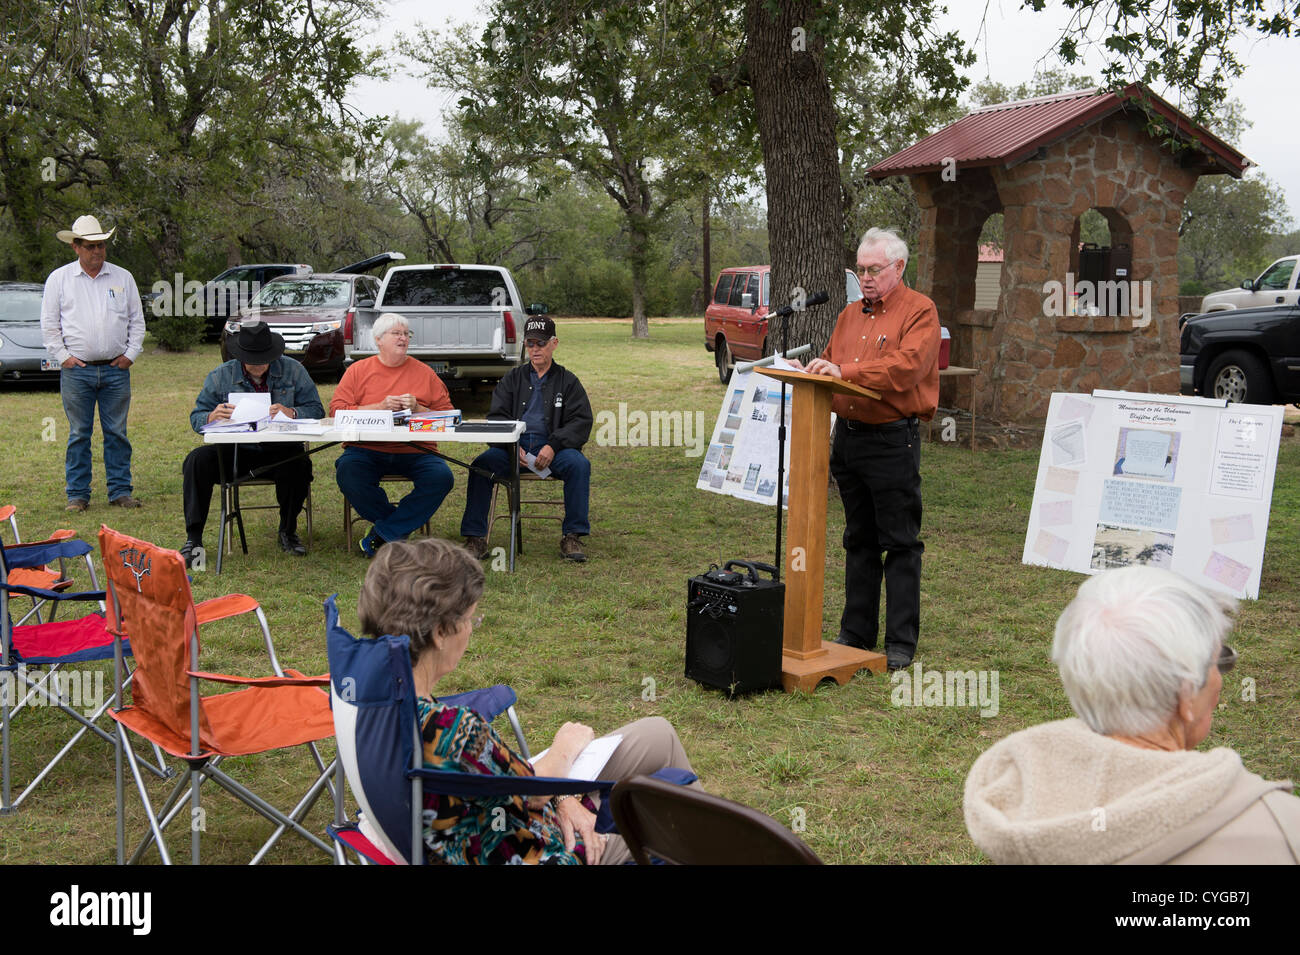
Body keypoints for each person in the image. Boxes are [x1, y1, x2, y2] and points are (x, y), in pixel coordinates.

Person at [357, 537, 700, 865]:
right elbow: (533, 793)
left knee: (658, 733)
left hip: (512, 817)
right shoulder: (452, 730)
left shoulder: (373, 700)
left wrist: (563, 796)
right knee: (690, 830)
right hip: (541, 849)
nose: (472, 629)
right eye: (469, 619)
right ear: (440, 633)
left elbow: (516, 782)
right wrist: (565, 746)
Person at [964, 566, 1300, 864]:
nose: (1220, 679)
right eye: (1218, 662)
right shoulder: (1281, 830)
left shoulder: (1017, 799)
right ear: (1185, 694)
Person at [792, 227, 940, 671]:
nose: (866, 276)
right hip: (849, 437)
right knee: (857, 539)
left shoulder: (921, 311)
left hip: (892, 438)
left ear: (898, 267)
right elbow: (832, 363)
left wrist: (845, 370)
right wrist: (812, 371)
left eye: (874, 269)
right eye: (860, 269)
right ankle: (856, 633)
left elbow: (906, 368)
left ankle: (899, 641)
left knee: (898, 541)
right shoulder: (848, 314)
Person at [180, 322, 323, 566]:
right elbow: (196, 418)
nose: (258, 363)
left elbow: (317, 410)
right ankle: (193, 539)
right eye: (251, 359)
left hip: (281, 449)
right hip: (236, 451)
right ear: (240, 356)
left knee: (299, 464)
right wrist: (210, 417)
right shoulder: (220, 375)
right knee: (197, 460)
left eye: (264, 358)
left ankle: (288, 530)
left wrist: (293, 412)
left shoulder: (294, 370)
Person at [460, 315, 593, 562]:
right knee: (481, 465)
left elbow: (581, 421)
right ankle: (475, 538)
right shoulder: (512, 379)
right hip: (512, 451)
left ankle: (573, 535)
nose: (535, 349)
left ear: (554, 343)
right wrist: (511, 447)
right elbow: (496, 418)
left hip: (555, 450)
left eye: (540, 344)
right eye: (530, 344)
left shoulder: (568, 381)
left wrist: (553, 445)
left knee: (579, 465)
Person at [40, 214, 146, 511]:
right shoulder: (59, 280)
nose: (97, 251)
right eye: (90, 246)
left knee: (117, 432)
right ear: (75, 247)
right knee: (78, 433)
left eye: (101, 245)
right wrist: (65, 358)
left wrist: (130, 355)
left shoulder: (123, 277)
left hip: (115, 369)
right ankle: (77, 494)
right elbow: (49, 326)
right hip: (78, 371)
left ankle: (120, 491)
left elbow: (137, 321)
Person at [330, 312, 456, 556]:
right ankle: (396, 528)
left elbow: (449, 419)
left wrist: (418, 408)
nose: (403, 338)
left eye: (406, 334)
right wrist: (379, 407)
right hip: (366, 448)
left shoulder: (424, 373)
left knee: (441, 477)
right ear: (379, 340)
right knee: (348, 472)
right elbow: (337, 412)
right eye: (396, 333)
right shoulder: (358, 370)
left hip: (416, 449)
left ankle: (384, 534)